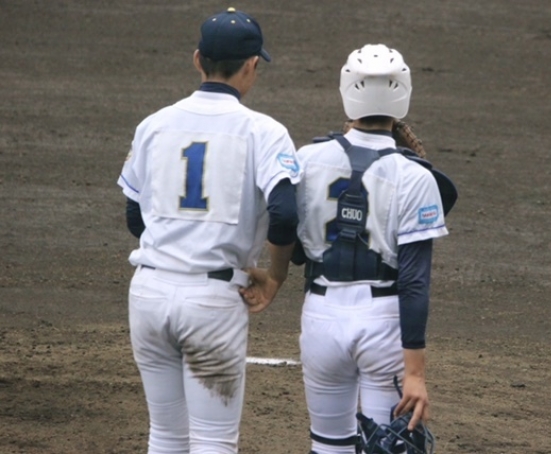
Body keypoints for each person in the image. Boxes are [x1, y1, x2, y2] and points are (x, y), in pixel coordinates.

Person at [116, 8, 300, 453]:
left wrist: (178, 246)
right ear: (252, 66)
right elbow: (285, 214)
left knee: (165, 435)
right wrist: (275, 277)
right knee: (214, 440)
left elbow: (135, 216)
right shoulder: (264, 132)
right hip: (212, 304)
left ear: (198, 60)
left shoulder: (154, 124)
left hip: (149, 295)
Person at [293, 44, 450, 454]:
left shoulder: (306, 159)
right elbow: (414, 282)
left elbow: (289, 241)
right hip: (383, 324)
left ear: (347, 90)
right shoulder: (415, 176)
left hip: (320, 318)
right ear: (403, 94)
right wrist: (415, 373)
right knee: (390, 445)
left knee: (328, 446)